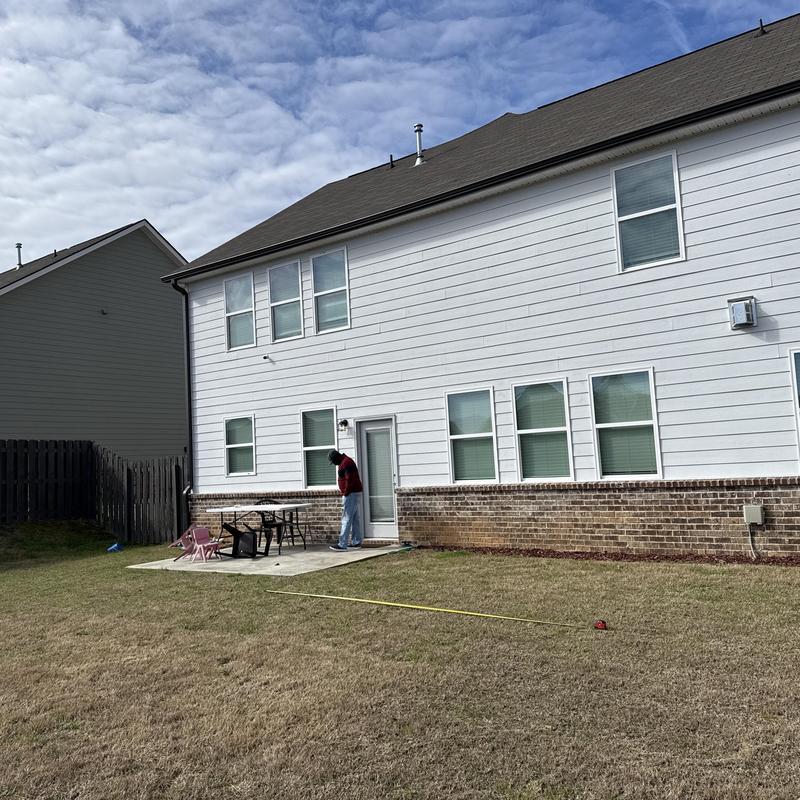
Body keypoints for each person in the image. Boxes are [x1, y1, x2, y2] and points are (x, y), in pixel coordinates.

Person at [327, 449, 363, 551]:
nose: (334, 464)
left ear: (337, 457)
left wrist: (346, 492)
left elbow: (350, 480)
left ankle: (342, 544)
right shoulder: (345, 461)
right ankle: (356, 542)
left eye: (333, 461)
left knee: (346, 518)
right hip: (354, 493)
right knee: (355, 519)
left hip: (351, 494)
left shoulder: (346, 463)